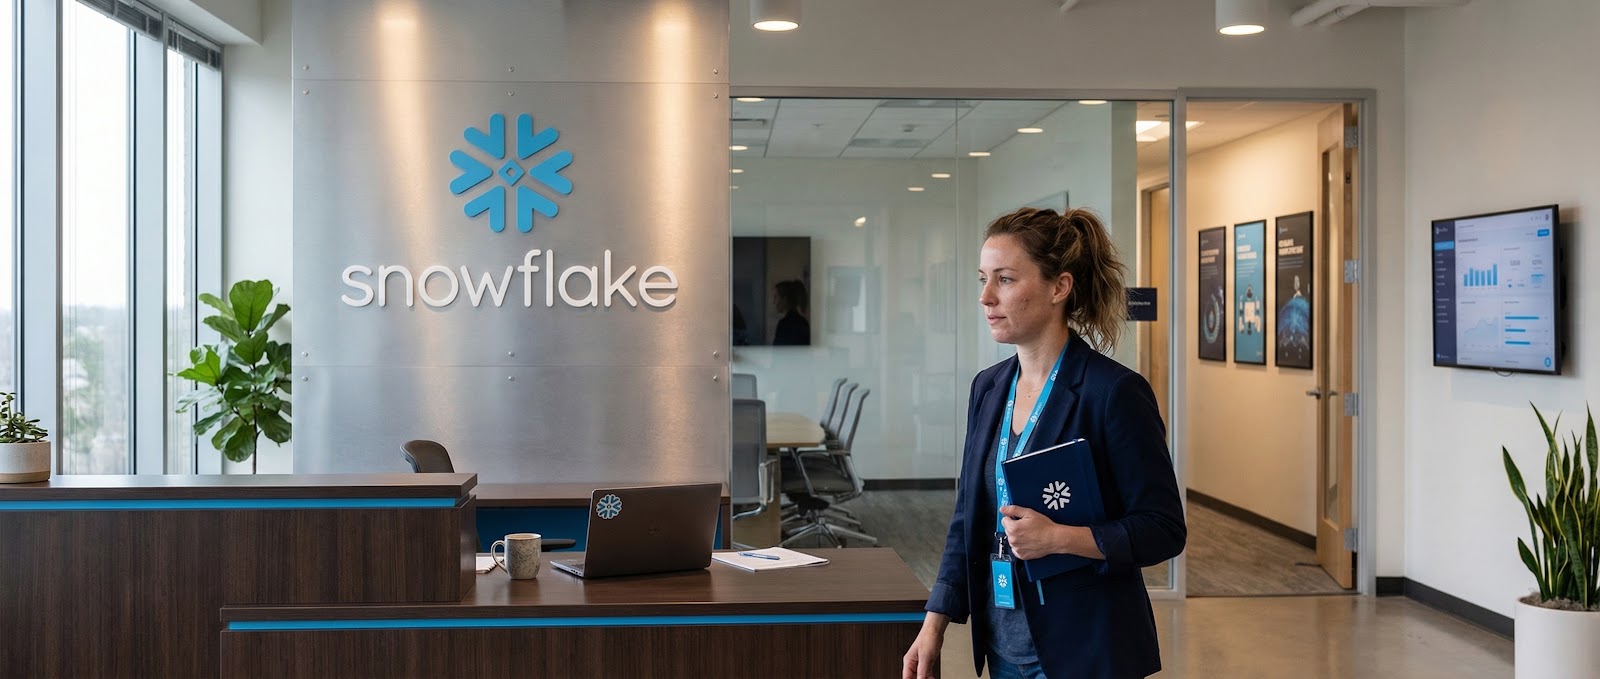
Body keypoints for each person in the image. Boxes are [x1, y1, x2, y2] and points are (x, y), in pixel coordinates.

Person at [903, 207, 1186, 679]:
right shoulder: (988, 388)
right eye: (983, 279)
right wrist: (933, 625)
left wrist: (1058, 538)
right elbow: (967, 518)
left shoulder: (1112, 392)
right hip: (1003, 643)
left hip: (1086, 649)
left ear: (1059, 287)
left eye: (1006, 280)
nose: (986, 297)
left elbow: (1163, 528)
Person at [771, 279, 811, 345]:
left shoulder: (785, 324)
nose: (774, 302)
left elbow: (777, 353)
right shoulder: (803, 322)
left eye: (776, 297)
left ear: (785, 299)